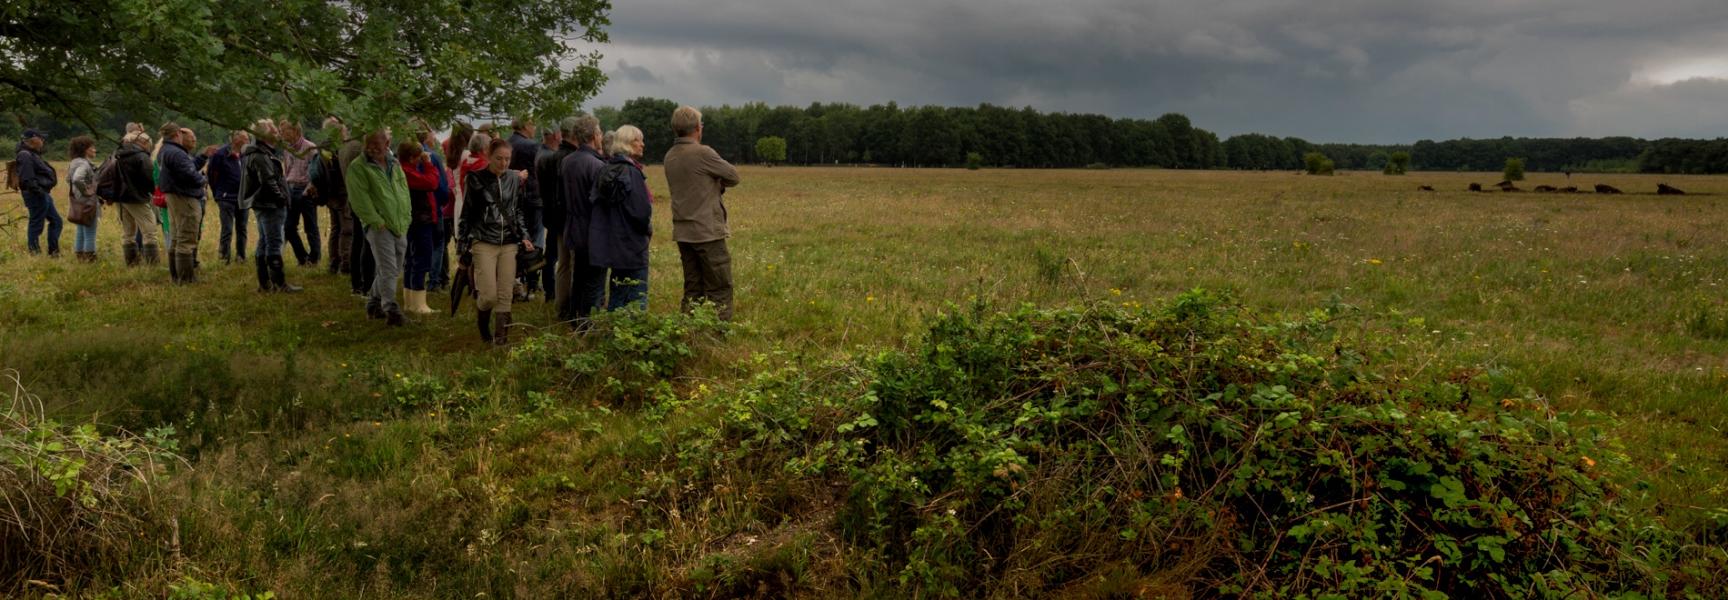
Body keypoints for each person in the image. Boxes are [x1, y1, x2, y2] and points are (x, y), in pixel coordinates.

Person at [664, 106, 742, 320]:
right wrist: (716, 182)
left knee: (693, 288)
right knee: (719, 287)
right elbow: (733, 176)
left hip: (683, 232)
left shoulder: (670, 155)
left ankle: (688, 331)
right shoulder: (703, 152)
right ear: (698, 128)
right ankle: (717, 335)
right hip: (707, 232)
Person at [460, 138, 534, 345]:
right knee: (489, 296)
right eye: (499, 158)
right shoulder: (475, 179)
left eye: (507, 159)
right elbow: (467, 214)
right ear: (488, 156)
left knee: (505, 294)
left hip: (509, 242)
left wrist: (525, 237)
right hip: (484, 241)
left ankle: (501, 340)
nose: (503, 163)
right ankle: (483, 325)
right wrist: (462, 245)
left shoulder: (514, 178)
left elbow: (517, 212)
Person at [347, 129, 412, 326]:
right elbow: (360, 199)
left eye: (377, 143)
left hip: (400, 223)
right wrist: (376, 222)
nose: (373, 147)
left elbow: (403, 190)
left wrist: (407, 216)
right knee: (389, 268)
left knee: (392, 269)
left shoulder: (394, 162)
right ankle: (391, 310)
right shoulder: (358, 167)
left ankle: (373, 304)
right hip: (379, 227)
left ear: (387, 142)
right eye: (369, 143)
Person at [590, 125, 653, 311]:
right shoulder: (633, 173)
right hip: (633, 245)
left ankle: (613, 333)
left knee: (617, 293)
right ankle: (634, 337)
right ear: (627, 144)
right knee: (636, 296)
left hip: (612, 244)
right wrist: (647, 230)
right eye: (638, 140)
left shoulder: (605, 169)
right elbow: (641, 213)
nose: (642, 144)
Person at [240, 119, 301, 293]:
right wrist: (281, 198)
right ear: (264, 134)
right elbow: (268, 181)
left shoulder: (260, 152)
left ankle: (265, 283)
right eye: (273, 129)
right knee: (273, 243)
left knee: (264, 241)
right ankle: (279, 284)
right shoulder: (261, 155)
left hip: (264, 204)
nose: (277, 132)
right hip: (270, 204)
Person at [558, 115, 607, 328]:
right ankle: (587, 323)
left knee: (579, 275)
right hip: (592, 230)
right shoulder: (596, 165)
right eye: (600, 132)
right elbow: (601, 201)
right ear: (594, 135)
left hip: (573, 227)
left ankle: (574, 317)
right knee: (594, 280)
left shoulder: (567, 161)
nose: (602, 136)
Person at [156, 122, 208, 284]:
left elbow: (186, 168)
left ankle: (176, 276)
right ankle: (186, 278)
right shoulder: (177, 153)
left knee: (177, 237)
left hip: (173, 197)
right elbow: (190, 174)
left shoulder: (165, 150)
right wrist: (204, 180)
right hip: (184, 197)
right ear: (177, 134)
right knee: (186, 238)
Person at [308, 117, 355, 276]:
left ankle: (333, 263)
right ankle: (346, 264)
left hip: (329, 194)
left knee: (336, 228)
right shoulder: (338, 148)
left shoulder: (323, 148)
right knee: (347, 229)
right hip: (342, 193)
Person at [398, 142, 441, 315]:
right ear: (411, 157)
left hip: (416, 220)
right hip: (419, 221)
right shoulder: (408, 172)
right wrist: (429, 164)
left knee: (411, 259)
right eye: (418, 157)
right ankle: (418, 303)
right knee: (421, 259)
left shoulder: (405, 170)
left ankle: (410, 300)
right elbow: (432, 183)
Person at [535, 121, 570, 305]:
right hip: (555, 212)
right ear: (556, 135)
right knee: (554, 255)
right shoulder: (550, 157)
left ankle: (550, 289)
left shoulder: (543, 154)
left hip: (549, 212)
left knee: (552, 253)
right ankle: (550, 289)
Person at [113, 132, 160, 267]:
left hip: (120, 198)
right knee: (150, 231)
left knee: (128, 233)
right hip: (137, 198)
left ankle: (132, 263)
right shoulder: (141, 157)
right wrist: (154, 193)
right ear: (144, 143)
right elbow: (150, 178)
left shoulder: (118, 154)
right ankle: (153, 265)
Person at [508, 118, 542, 300]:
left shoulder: (508, 142)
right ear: (525, 126)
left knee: (517, 241)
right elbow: (538, 170)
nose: (535, 127)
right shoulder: (531, 145)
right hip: (531, 197)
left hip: (512, 198)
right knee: (534, 242)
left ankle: (516, 280)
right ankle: (533, 281)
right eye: (533, 123)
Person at [279, 120, 321, 267]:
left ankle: (314, 258)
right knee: (289, 226)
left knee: (310, 226)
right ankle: (302, 257)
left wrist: (308, 189)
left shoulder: (310, 148)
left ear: (295, 131)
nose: (281, 133)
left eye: (284, 130)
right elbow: (287, 170)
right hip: (290, 188)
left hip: (305, 189)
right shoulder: (286, 149)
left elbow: (316, 172)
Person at [14, 129, 61, 257]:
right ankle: (34, 253)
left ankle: (54, 251)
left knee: (56, 221)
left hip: (42, 193)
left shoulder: (32, 153)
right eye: (41, 138)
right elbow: (27, 178)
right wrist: (38, 191)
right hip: (36, 194)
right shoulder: (25, 155)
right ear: (33, 139)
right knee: (36, 224)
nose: (43, 141)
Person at [206, 130, 250, 264]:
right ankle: (224, 257)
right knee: (227, 228)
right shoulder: (221, 154)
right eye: (245, 139)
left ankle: (241, 256)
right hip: (226, 197)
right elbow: (212, 175)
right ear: (236, 139)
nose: (247, 141)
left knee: (242, 228)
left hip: (243, 197)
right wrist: (218, 193)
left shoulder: (245, 154)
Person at [418, 128, 453, 292]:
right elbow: (442, 185)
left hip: (414, 207)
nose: (434, 136)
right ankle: (434, 281)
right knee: (438, 243)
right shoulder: (432, 157)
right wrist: (442, 202)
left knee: (417, 244)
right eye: (432, 132)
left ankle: (418, 279)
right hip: (432, 206)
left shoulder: (403, 155)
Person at [67, 136, 100, 262]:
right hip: (88, 203)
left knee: (80, 230)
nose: (95, 150)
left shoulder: (74, 162)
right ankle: (90, 259)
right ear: (86, 149)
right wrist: (87, 191)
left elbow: (68, 180)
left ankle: (80, 256)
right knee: (90, 232)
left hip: (77, 202)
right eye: (92, 147)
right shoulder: (84, 164)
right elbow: (76, 179)